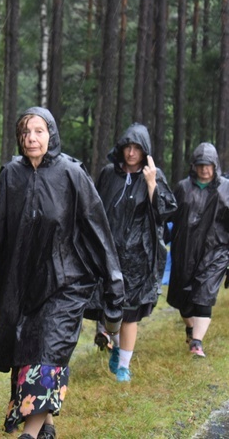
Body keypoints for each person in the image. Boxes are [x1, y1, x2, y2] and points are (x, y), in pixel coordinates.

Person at [0, 107, 124, 439]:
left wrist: (114, 283)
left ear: (51, 134)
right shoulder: (10, 175)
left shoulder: (71, 173)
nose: (31, 138)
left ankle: (30, 433)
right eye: (25, 132)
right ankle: (47, 424)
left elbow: (98, 228)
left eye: (38, 131)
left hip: (65, 284)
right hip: (19, 286)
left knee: (46, 354)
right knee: (25, 356)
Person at [86, 123, 177, 382]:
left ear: (144, 150)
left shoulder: (153, 175)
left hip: (139, 256)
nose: (131, 153)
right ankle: (113, 343)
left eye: (137, 148)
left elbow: (166, 213)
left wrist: (152, 184)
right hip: (108, 254)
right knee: (108, 307)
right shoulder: (108, 174)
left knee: (130, 312)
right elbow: (93, 208)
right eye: (128, 147)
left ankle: (124, 365)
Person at [166, 142, 229, 358]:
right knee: (184, 300)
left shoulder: (225, 189)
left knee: (204, 295)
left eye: (208, 165)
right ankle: (191, 328)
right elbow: (169, 216)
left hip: (215, 251)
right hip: (184, 251)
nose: (204, 169)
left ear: (215, 165)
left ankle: (197, 343)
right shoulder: (183, 188)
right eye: (200, 164)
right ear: (194, 165)